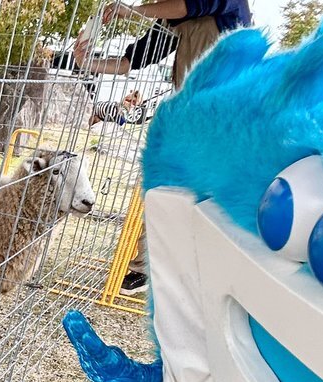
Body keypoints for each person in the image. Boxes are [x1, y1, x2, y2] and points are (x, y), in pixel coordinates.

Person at [74, 0, 251, 293]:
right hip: (190, 111)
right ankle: (149, 268)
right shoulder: (171, 19)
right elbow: (134, 59)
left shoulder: (225, 7)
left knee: (211, 196)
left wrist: (130, 10)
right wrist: (88, 62)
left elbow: (190, 6)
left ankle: (210, 275)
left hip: (228, 111)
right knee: (164, 184)